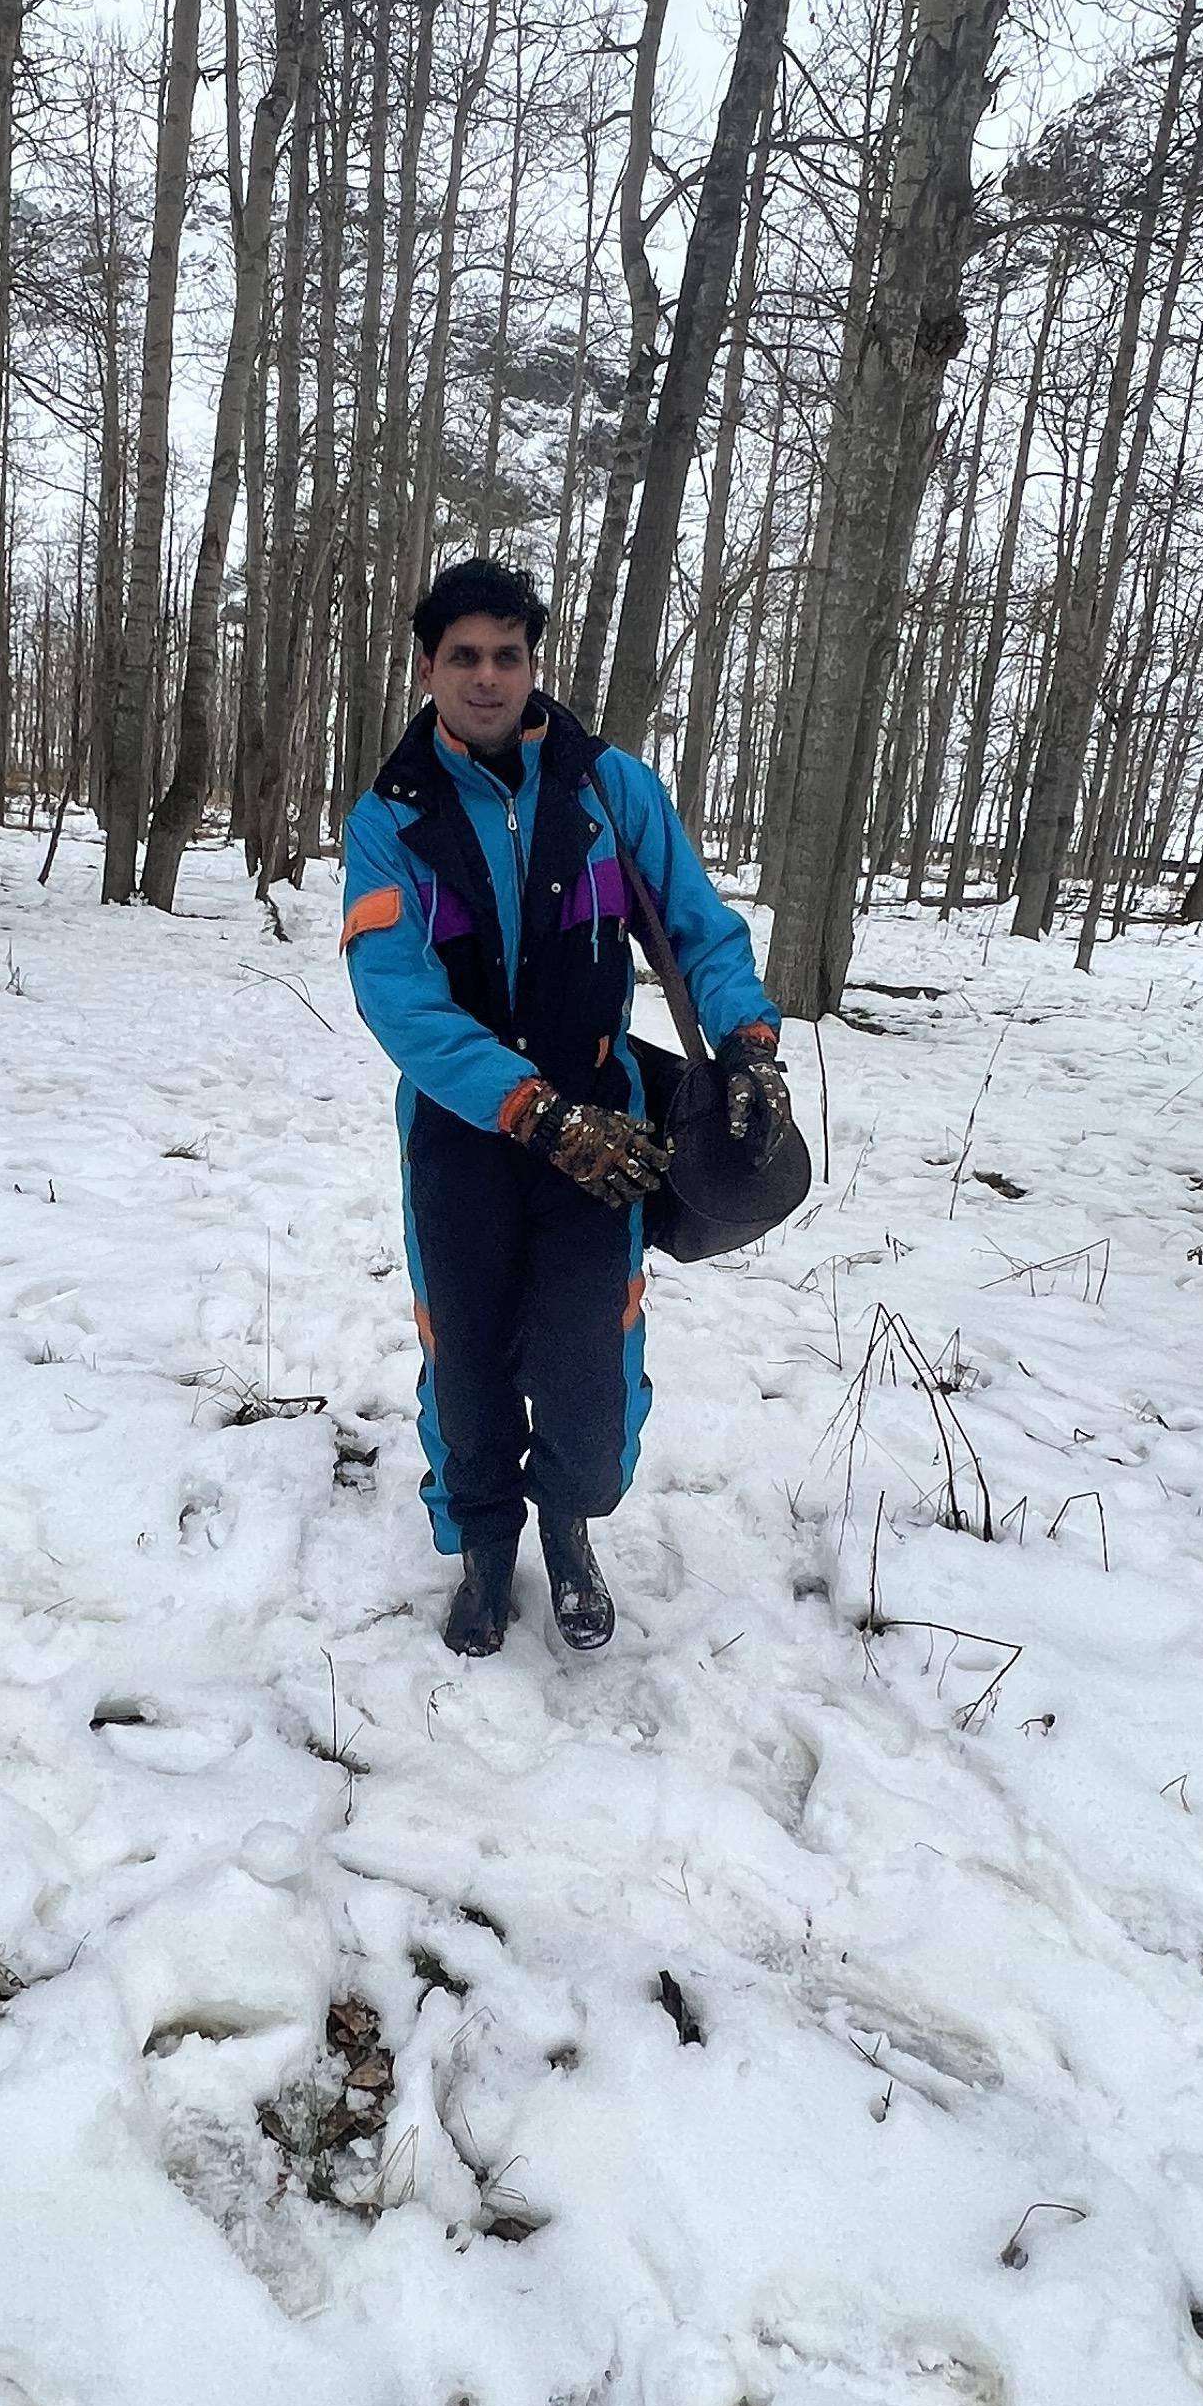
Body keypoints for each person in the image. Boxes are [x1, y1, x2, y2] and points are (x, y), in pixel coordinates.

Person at [340, 557, 794, 1656]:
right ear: (426, 668)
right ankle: (486, 1548)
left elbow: (697, 926)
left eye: (508, 655)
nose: (487, 678)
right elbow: (396, 996)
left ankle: (571, 1527)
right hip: (462, 1131)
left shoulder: (607, 790)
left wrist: (747, 1042)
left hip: (608, 1126)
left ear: (533, 664)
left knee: (593, 1352)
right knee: (466, 1350)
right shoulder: (392, 817)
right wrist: (530, 1111)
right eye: (464, 656)